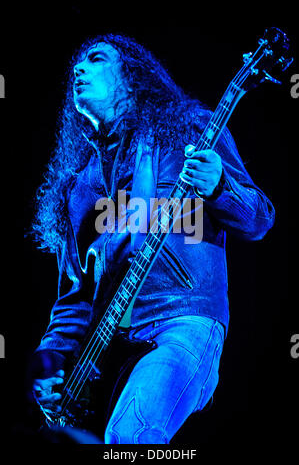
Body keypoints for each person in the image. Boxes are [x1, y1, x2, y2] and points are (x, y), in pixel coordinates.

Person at [29, 33, 275, 444]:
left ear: (131, 76)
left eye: (96, 59)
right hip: (109, 353)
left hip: (184, 320)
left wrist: (219, 187)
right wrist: (49, 361)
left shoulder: (188, 128)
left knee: (131, 436)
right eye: (77, 63)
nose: (79, 69)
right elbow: (73, 301)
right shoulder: (77, 190)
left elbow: (260, 218)